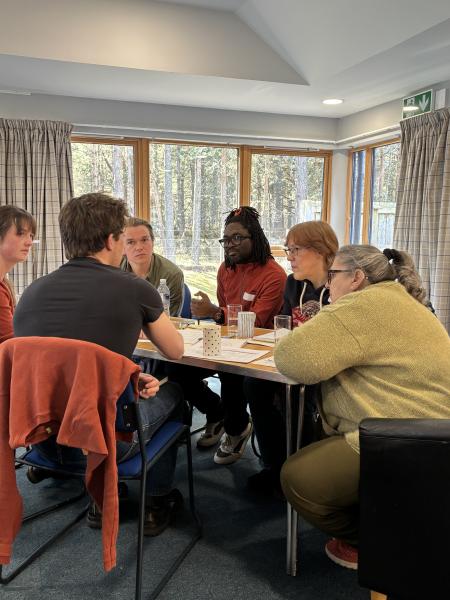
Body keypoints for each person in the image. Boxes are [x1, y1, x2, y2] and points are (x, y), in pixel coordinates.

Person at [13, 193, 185, 537]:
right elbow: (175, 350)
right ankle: (155, 502)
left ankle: (104, 497)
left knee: (123, 397)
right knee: (177, 394)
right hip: (105, 443)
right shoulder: (135, 289)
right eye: (123, 237)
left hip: (41, 440)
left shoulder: (31, 292)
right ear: (111, 240)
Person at [274, 244, 450, 570]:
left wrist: (296, 332)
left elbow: (293, 359)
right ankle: (395, 524)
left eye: (332, 276)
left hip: (407, 436)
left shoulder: (362, 307)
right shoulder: (397, 300)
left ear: (356, 278)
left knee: (299, 480)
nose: (327, 284)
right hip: (434, 427)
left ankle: (375, 543)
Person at [168, 206, 287, 465]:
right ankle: (216, 411)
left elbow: (259, 321)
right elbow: (224, 311)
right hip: (226, 342)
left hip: (258, 348)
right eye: (225, 239)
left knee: (231, 375)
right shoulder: (225, 269)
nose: (229, 245)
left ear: (254, 238)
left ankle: (237, 429)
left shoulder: (274, 275)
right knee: (176, 370)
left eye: (237, 238)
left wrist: (215, 312)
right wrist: (215, 312)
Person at [244, 221, 338, 495]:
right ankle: (275, 466)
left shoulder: (340, 285)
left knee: (298, 394)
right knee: (254, 384)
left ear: (321, 250)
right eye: (288, 249)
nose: (290, 257)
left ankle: (302, 473)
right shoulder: (292, 284)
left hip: (332, 364)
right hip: (300, 358)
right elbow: (285, 328)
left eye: (296, 249)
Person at [121, 217, 184, 317]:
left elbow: (170, 320)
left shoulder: (172, 274)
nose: (139, 247)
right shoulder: (113, 269)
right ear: (122, 247)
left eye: (144, 240)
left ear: (153, 242)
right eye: (131, 242)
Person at [0, 206, 35, 343]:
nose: (29, 242)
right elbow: (11, 344)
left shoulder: (5, 284)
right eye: (21, 233)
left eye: (31, 236)